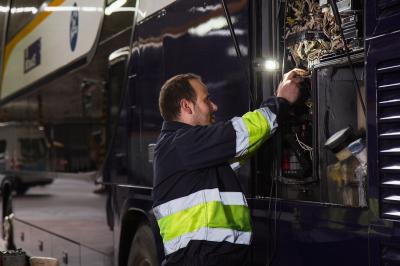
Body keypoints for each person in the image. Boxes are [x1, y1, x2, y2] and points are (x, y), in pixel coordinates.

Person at [152, 69, 307, 266]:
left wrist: (274, 112)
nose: (214, 106)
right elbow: (239, 133)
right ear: (186, 106)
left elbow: (244, 143)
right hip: (201, 259)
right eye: (206, 100)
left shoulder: (191, 150)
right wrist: (280, 101)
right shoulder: (182, 144)